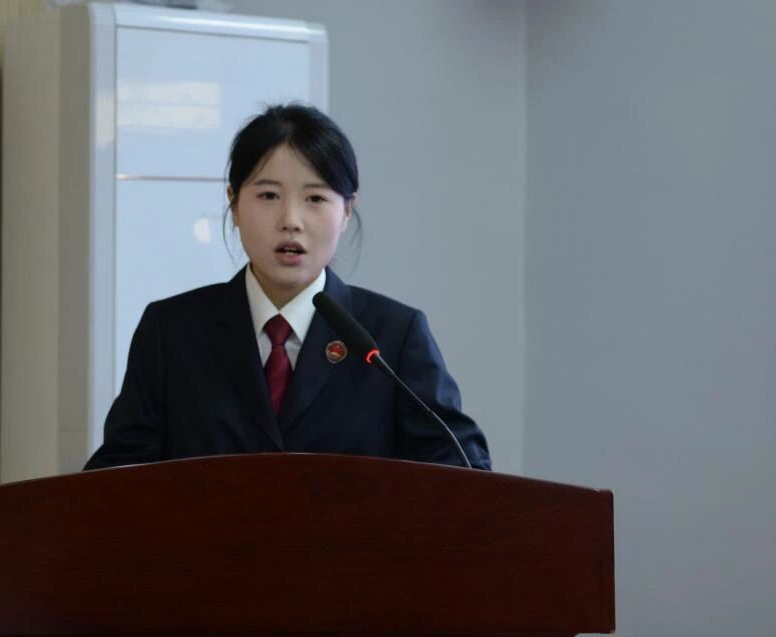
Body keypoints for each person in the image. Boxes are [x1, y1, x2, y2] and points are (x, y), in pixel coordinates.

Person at [83, 103, 491, 471]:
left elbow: (463, 472)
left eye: (315, 199)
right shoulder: (172, 331)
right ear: (233, 203)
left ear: (347, 210)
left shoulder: (392, 338)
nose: (290, 220)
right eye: (268, 195)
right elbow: (117, 478)